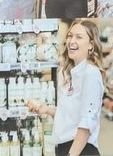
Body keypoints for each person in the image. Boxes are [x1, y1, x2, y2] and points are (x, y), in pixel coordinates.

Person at [27, 18, 105, 155]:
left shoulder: (90, 73)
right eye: (70, 36)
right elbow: (70, 115)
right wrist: (46, 109)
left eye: (79, 37)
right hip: (66, 148)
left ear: (91, 45)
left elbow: (86, 124)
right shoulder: (69, 73)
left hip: (81, 150)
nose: (72, 41)